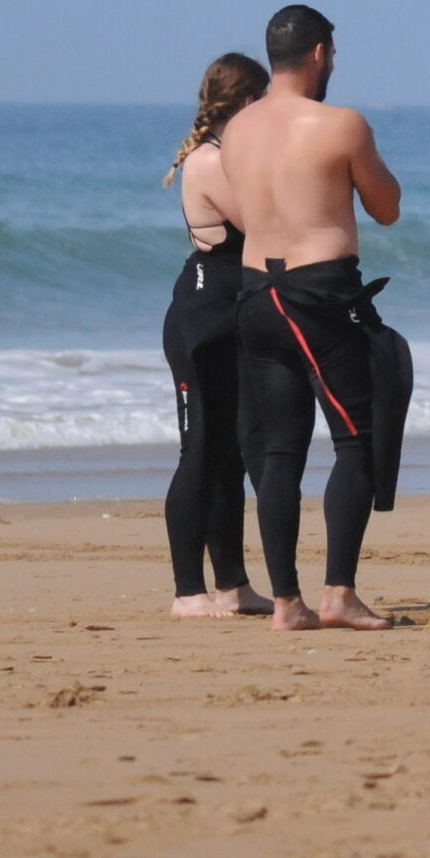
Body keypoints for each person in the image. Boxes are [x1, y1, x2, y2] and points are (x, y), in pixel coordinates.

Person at [219, 5, 409, 631]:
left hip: (254, 294)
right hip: (319, 296)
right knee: (356, 441)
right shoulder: (341, 124)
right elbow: (387, 209)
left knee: (280, 452)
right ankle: (338, 594)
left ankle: (284, 603)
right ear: (323, 53)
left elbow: (246, 214)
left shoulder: (238, 129)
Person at [160, 53, 271, 618]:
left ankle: (232, 585)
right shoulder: (209, 162)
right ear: (250, 103)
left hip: (233, 314)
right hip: (201, 320)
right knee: (200, 451)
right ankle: (187, 592)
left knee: (229, 453)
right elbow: (263, 224)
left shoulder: (230, 155)